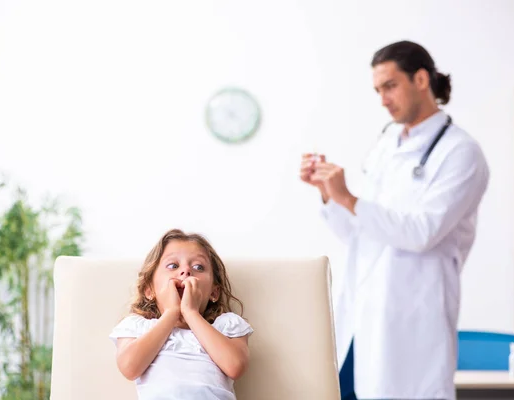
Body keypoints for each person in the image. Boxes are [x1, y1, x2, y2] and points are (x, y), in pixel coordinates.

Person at [300, 40, 489, 400]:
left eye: (390, 86)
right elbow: (360, 234)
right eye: (377, 90)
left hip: (412, 323)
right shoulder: (387, 143)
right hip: (364, 316)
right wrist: (328, 193)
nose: (383, 99)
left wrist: (348, 197)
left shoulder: (461, 153)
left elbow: (422, 233)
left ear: (421, 79)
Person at [109, 229, 253, 400]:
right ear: (149, 290)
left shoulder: (225, 325)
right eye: (173, 266)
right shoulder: (138, 326)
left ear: (214, 292)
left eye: (198, 267)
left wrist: (191, 313)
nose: (186, 271)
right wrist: (171, 313)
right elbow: (129, 367)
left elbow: (235, 367)